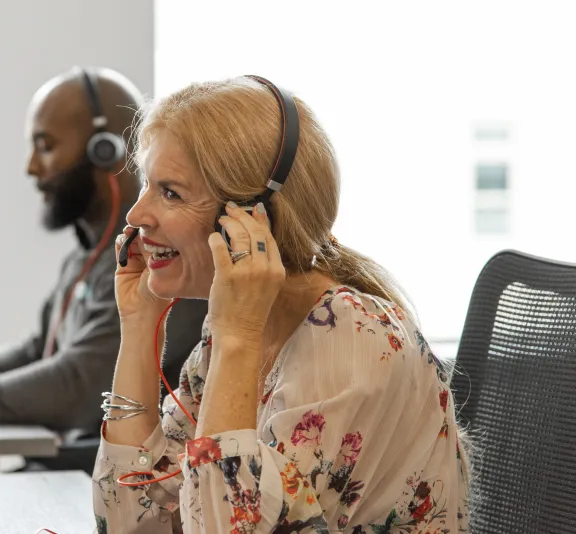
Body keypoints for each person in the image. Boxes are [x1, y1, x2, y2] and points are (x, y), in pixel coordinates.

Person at [93, 76, 470, 533]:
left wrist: (237, 339)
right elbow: (128, 523)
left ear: (254, 219)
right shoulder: (233, 331)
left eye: (170, 192)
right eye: (147, 185)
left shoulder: (352, 338)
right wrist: (138, 325)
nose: (136, 215)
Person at [0, 67, 208, 442]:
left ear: (104, 151)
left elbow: (76, 388)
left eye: (46, 147)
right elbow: (37, 352)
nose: (31, 167)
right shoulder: (86, 258)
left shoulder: (155, 259)